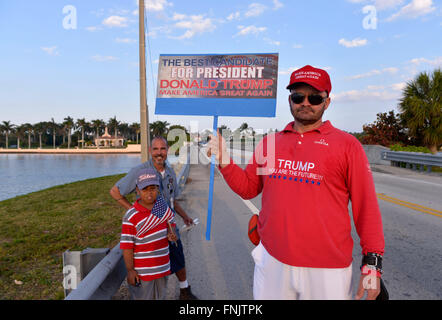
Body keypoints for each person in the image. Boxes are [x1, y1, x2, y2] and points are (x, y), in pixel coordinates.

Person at [208, 65, 385, 300]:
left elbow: (367, 209)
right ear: (290, 100)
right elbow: (248, 188)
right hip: (273, 262)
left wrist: (372, 266)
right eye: (298, 96)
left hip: (328, 270)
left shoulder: (348, 145)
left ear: (327, 102)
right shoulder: (270, 143)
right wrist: (224, 159)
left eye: (314, 97)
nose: (306, 103)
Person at [111, 136, 198, 300]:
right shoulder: (141, 171)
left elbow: (173, 200)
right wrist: (136, 213)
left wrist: (185, 217)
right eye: (156, 149)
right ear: (150, 151)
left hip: (169, 226)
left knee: (177, 257)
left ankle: (184, 291)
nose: (159, 153)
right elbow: (115, 192)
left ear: (168, 151)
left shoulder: (170, 171)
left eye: (163, 149)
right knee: (149, 271)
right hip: (149, 231)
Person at [120, 167, 177, 300]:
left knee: (161, 297)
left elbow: (171, 226)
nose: (149, 193)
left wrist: (171, 234)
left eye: (153, 188)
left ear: (158, 189)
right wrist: (130, 270)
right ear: (138, 191)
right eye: (145, 189)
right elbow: (127, 247)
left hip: (162, 268)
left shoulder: (162, 208)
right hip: (143, 272)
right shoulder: (131, 216)